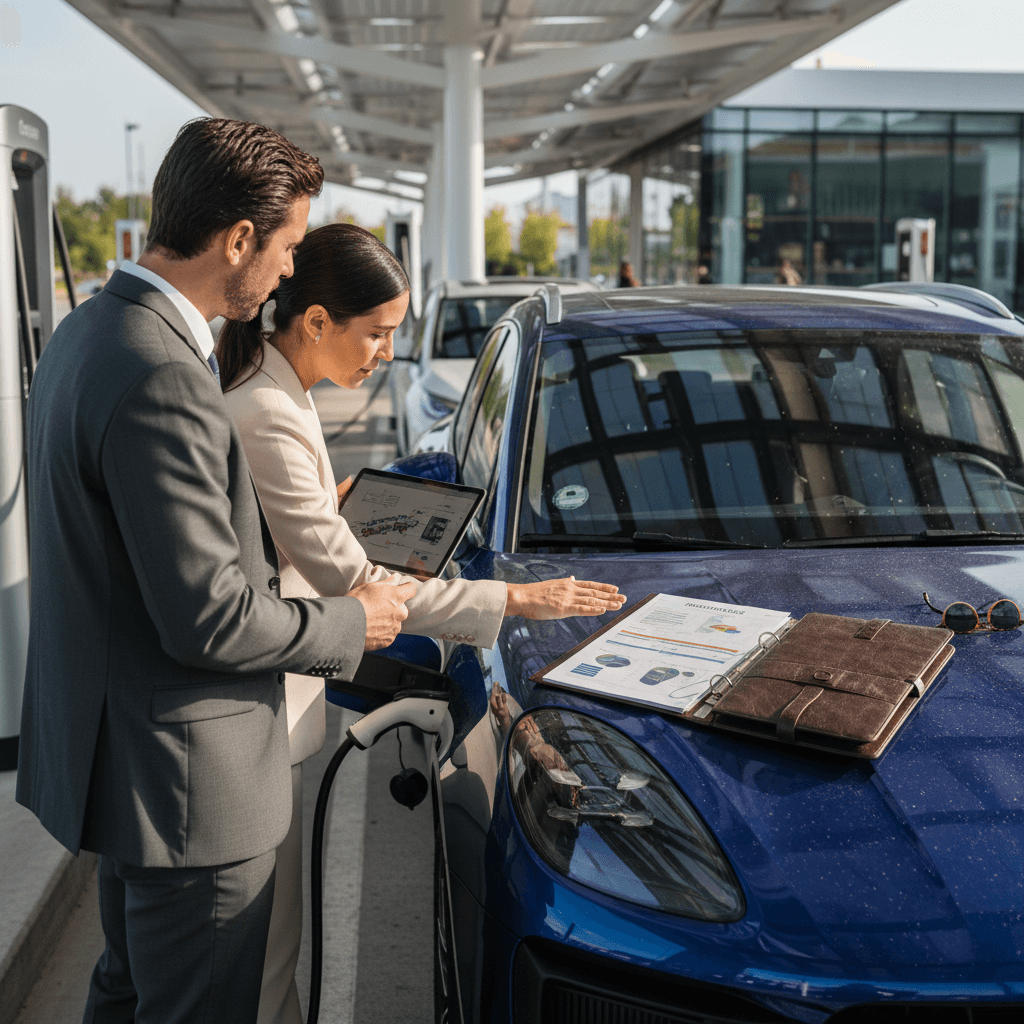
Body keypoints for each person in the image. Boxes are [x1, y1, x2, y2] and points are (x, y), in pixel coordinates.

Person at [16, 120, 416, 1024]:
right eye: (286, 246)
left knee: (127, 993)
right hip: (192, 788)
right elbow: (211, 618)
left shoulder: (89, 330)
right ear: (238, 239)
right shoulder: (163, 370)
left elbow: (134, 555)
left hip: (125, 764)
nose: (288, 269)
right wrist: (357, 619)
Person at [217, 223, 627, 1024]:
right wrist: (513, 599)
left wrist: (330, 507)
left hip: (261, 714)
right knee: (263, 965)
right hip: (257, 713)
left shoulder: (275, 387)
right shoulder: (266, 408)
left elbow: (288, 535)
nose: (387, 353)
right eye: (377, 332)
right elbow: (355, 583)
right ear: (316, 322)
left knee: (264, 957)